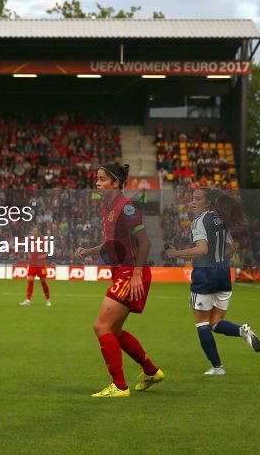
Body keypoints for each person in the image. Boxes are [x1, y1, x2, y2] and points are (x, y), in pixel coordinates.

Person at [75, 161, 164, 398]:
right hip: (122, 272)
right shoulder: (109, 208)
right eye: (97, 178)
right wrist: (89, 251)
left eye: (103, 179)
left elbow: (145, 242)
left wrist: (135, 274)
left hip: (131, 272)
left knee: (101, 326)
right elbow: (112, 244)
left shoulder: (127, 208)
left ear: (116, 183)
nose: (98, 183)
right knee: (113, 330)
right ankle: (151, 371)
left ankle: (120, 386)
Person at [164, 187, 260, 375]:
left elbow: (202, 250)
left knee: (202, 324)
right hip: (223, 275)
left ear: (208, 203)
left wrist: (176, 253)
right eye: (192, 198)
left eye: (198, 199)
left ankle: (218, 367)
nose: (192, 201)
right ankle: (242, 331)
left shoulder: (199, 222)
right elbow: (233, 247)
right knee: (215, 323)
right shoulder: (222, 221)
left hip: (205, 276)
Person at [20, 226, 51, 307]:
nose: (34, 232)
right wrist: (28, 254)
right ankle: (28, 300)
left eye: (36, 231)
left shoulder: (43, 240)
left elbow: (48, 251)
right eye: (33, 231)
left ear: (39, 232)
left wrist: (43, 255)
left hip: (40, 265)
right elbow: (27, 249)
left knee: (43, 283)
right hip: (32, 264)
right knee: (30, 282)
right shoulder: (30, 240)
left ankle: (48, 300)